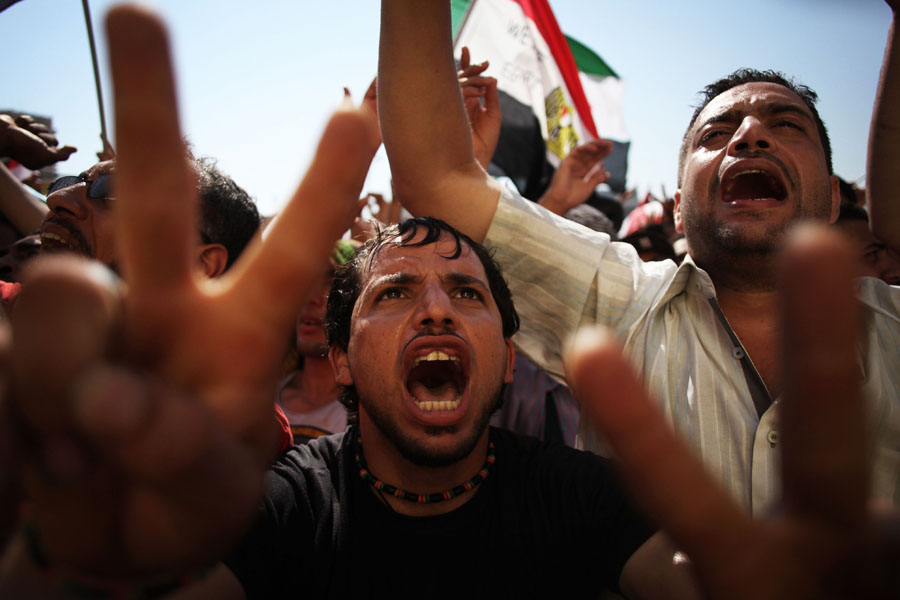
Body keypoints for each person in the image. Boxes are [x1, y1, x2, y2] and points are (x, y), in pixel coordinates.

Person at [0, 6, 896, 599]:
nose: (748, 132)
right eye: (393, 291)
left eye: (469, 290)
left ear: (513, 355)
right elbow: (437, 174)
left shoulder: (585, 500)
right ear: (342, 354)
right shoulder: (282, 505)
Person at [378, 0, 900, 515]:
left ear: (835, 198)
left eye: (786, 125)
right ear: (678, 211)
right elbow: (438, 178)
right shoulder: (621, 303)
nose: (748, 136)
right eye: (715, 135)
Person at [276, 239, 357, 442]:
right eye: (304, 283)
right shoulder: (257, 400)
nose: (312, 297)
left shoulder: (370, 414)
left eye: (331, 285)